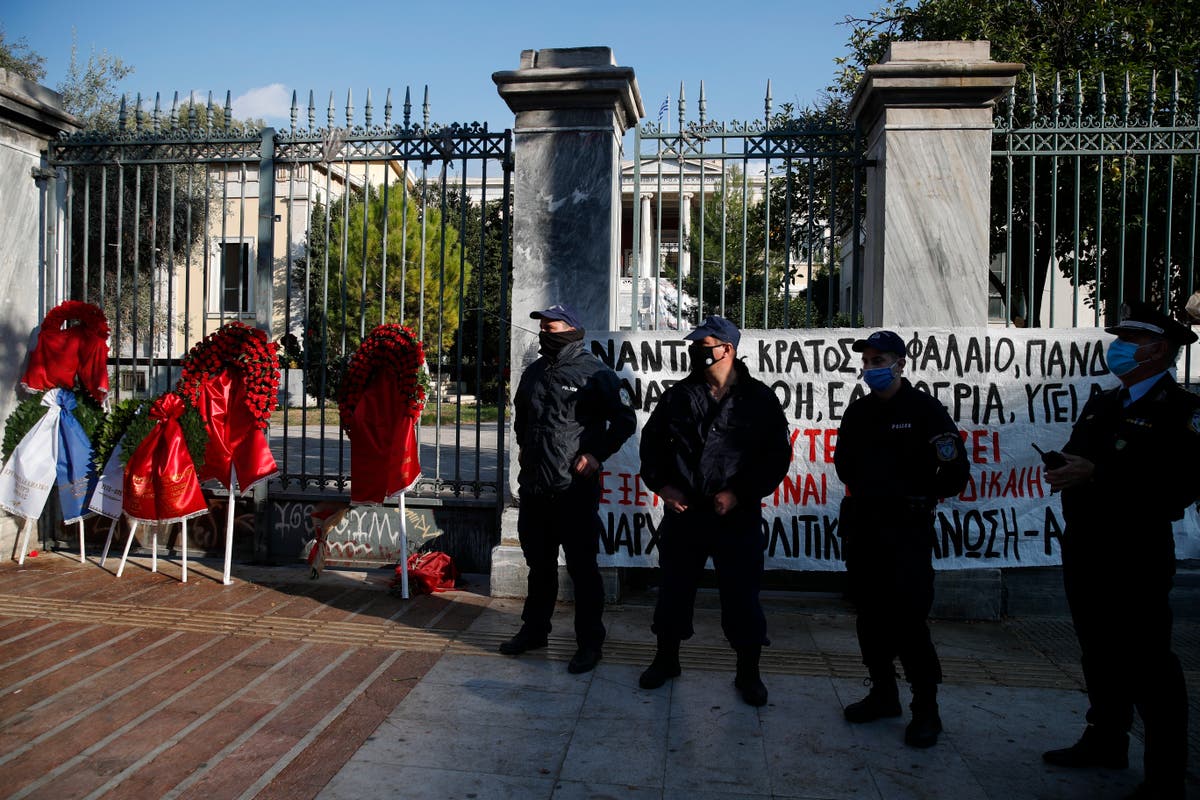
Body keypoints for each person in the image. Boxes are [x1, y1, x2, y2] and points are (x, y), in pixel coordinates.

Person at [1041, 300, 1197, 800]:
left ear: (1158, 350)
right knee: (1098, 651)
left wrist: (1098, 474)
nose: (1119, 348)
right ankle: (1105, 738)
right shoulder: (1104, 403)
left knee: (1149, 662)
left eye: (1130, 341)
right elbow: (1080, 456)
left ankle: (1165, 774)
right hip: (1088, 546)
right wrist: (1067, 468)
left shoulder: (1181, 412)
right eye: (1120, 339)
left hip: (1136, 553)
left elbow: (1179, 487)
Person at [637, 315, 790, 706]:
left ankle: (748, 672)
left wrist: (739, 493)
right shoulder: (678, 395)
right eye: (695, 345)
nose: (697, 351)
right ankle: (666, 658)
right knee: (674, 589)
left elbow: (775, 457)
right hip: (686, 512)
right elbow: (652, 446)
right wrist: (663, 486)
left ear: (728, 348)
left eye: (705, 344)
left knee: (741, 595)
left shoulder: (758, 398)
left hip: (734, 516)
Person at [833, 329, 970, 748]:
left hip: (906, 533)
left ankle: (925, 709)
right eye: (868, 362)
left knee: (909, 622)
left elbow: (954, 472)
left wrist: (915, 496)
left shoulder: (925, 411)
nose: (872, 368)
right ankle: (882, 693)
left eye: (880, 361)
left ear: (900, 364)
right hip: (865, 529)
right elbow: (844, 465)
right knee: (869, 617)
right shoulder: (859, 413)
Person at [502, 303, 637, 674]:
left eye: (552, 325)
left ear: (572, 329)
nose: (545, 331)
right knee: (539, 566)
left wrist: (595, 454)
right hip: (535, 490)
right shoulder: (533, 373)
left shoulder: (596, 373)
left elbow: (626, 421)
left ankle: (590, 643)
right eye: (542, 326)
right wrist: (529, 461)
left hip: (573, 492)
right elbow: (523, 422)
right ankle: (534, 630)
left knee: (582, 569)